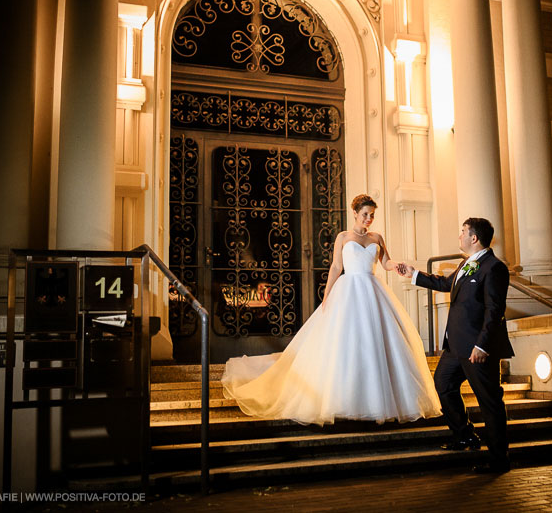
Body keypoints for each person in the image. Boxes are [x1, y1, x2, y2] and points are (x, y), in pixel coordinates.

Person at [220, 194, 441, 425]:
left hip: (374, 292)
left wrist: (397, 265)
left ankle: (376, 400)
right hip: (349, 291)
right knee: (343, 344)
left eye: (372, 215)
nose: (369, 218)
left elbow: (385, 263)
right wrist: (327, 295)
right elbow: (336, 266)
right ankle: (341, 399)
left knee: (376, 342)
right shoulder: (343, 237)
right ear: (354, 213)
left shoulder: (377, 237)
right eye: (365, 214)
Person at [397, 217, 514, 474]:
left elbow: (494, 310)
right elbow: (445, 284)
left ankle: (498, 458)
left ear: (474, 238)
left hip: (477, 349)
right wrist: (414, 274)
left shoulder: (494, 268)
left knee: (489, 401)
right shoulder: (466, 264)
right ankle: (464, 435)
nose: (459, 236)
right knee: (443, 385)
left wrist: (482, 346)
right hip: (455, 347)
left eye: (463, 232)